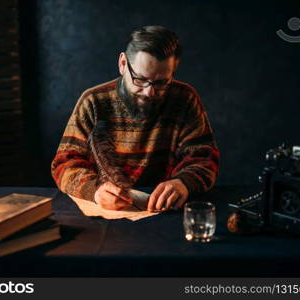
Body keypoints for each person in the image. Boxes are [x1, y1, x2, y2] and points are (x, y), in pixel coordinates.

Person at [51, 25, 219, 212]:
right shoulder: (93, 102)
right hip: (107, 212)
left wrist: (184, 183)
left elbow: (205, 158)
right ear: (123, 64)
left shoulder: (185, 99)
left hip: (167, 211)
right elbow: (63, 164)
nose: (149, 92)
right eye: (140, 79)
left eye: (162, 82)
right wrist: (94, 191)